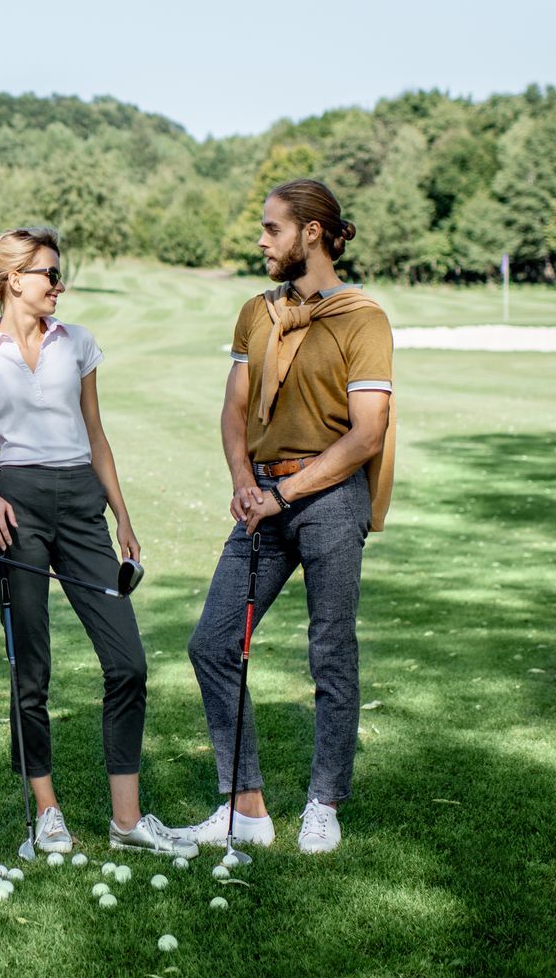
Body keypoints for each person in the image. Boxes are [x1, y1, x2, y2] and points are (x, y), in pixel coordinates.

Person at [0, 227, 194, 858]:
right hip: (17, 508)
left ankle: (127, 821)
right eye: (49, 274)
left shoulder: (76, 343)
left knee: (128, 662)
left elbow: (97, 432)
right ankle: (48, 810)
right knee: (32, 670)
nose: (59, 284)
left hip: (83, 507)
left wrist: (123, 516)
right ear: (14, 279)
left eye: (59, 274)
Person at [181, 179, 395, 855]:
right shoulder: (257, 311)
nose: (261, 239)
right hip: (264, 499)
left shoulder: (363, 318)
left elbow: (367, 433)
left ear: (311, 232)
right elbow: (235, 407)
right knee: (213, 642)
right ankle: (247, 806)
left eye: (272, 227)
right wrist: (245, 481)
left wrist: (286, 491)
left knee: (331, 651)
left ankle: (323, 802)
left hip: (331, 499)